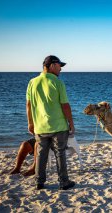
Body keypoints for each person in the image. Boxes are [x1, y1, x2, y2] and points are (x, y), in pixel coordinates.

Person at [26, 55, 75, 190]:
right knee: (60, 153)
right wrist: (71, 123)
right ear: (52, 65)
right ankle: (64, 182)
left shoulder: (32, 82)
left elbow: (29, 105)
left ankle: (39, 182)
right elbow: (65, 105)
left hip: (40, 127)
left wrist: (30, 123)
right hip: (58, 126)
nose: (61, 69)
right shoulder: (58, 83)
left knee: (42, 154)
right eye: (60, 66)